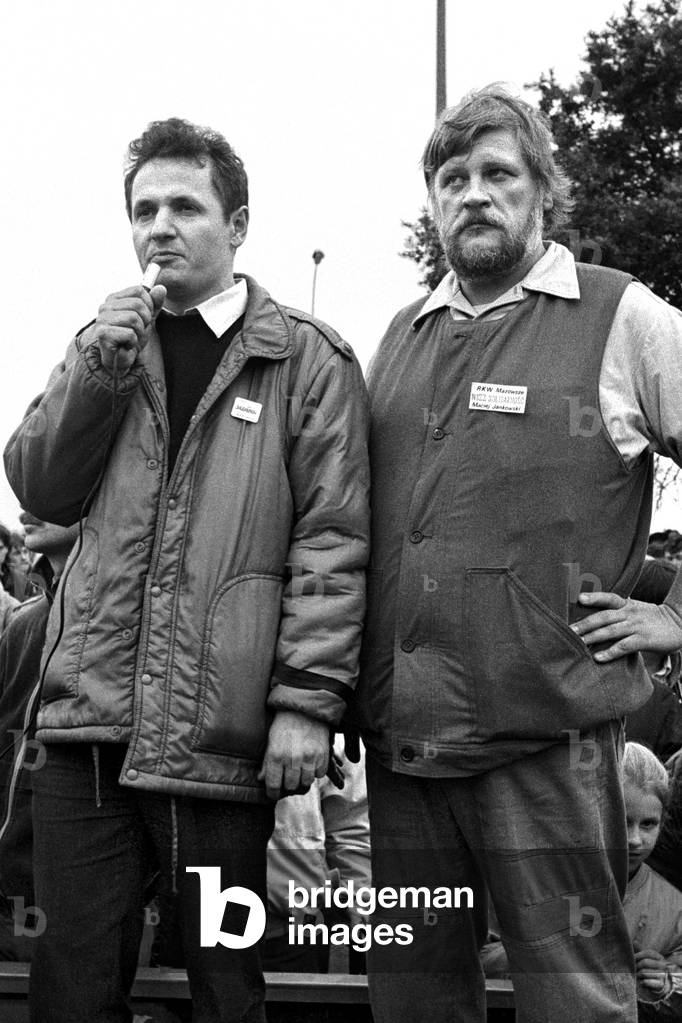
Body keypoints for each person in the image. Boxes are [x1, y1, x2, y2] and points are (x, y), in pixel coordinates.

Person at [3, 116, 369, 1023]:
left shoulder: (308, 360)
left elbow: (333, 538)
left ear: (237, 224)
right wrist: (98, 366)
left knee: (228, 993)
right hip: (87, 735)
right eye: (143, 209)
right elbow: (38, 481)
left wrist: (305, 701)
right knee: (70, 994)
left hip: (223, 747)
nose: (159, 226)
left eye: (184, 205)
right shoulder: (106, 344)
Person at [354, 84, 682, 1023]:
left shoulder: (624, 315)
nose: (473, 194)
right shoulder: (401, 335)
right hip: (404, 746)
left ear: (544, 189)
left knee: (574, 1001)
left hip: (551, 746)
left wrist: (675, 615)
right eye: (451, 178)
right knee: (413, 1002)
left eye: (498, 173)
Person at [0, 512, 80, 960]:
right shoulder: (22, 624)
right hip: (8, 899)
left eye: (55, 475)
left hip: (90, 908)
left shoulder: (146, 625)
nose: (31, 501)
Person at [622, 742, 682, 1020]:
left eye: (648, 824)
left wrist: (665, 981)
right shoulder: (541, 883)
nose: (635, 840)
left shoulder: (673, 906)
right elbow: (481, 951)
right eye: (622, 822)